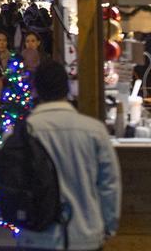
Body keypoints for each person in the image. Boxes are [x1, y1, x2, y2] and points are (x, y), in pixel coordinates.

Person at [10, 61, 120, 250]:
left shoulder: (21, 132)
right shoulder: (94, 130)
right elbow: (109, 185)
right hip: (86, 235)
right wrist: (108, 226)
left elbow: (4, 179)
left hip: (36, 236)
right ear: (67, 87)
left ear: (35, 90)